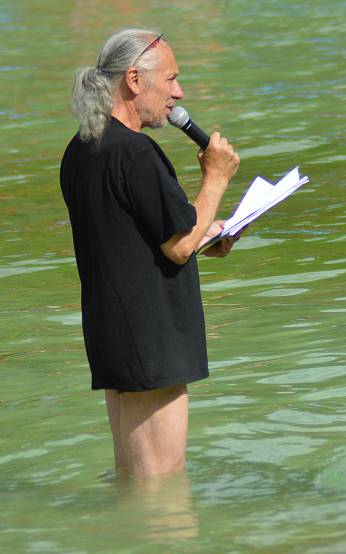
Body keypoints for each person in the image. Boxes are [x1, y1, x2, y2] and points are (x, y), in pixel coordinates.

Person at [60, 29, 241, 478]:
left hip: (113, 332)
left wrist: (207, 233)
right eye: (173, 79)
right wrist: (216, 178)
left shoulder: (82, 148)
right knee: (162, 483)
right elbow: (177, 246)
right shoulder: (137, 153)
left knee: (134, 478)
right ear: (135, 81)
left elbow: (130, 238)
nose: (179, 93)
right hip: (150, 337)